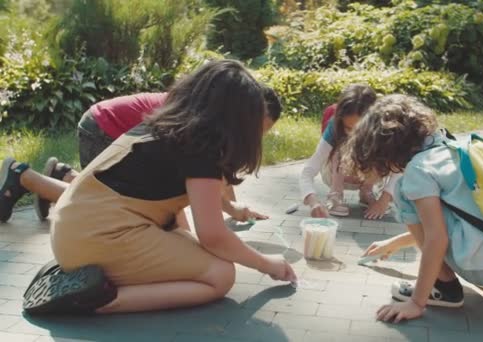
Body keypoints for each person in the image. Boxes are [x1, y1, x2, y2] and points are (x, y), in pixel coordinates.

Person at [22, 60, 297, 314]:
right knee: (221, 275)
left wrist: (190, 251)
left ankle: (81, 275)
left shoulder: (165, 128)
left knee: (201, 256)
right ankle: (95, 299)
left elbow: (170, 210)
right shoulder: (204, 150)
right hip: (96, 237)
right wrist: (266, 263)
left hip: (76, 230)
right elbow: (213, 236)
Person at [344, 94, 483, 322]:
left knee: (404, 191)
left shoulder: (418, 171)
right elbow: (456, 220)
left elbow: (437, 237)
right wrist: (393, 243)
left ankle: (444, 288)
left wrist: (416, 302)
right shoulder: (450, 147)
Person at [0, 85, 282, 224]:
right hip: (103, 127)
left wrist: (234, 210)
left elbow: (218, 174)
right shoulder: (201, 120)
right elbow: (189, 185)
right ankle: (23, 176)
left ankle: (61, 176)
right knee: (106, 205)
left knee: (117, 198)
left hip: (109, 123)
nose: (253, 139)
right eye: (255, 130)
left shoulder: (216, 116)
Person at [299, 84, 399, 220]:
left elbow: (400, 168)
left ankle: (366, 192)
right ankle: (335, 194)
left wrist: (384, 200)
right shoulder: (334, 127)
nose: (354, 134)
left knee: (383, 151)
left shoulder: (385, 127)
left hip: (370, 175)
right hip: (336, 174)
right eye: (348, 128)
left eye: (360, 128)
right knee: (341, 146)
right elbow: (308, 170)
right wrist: (313, 202)